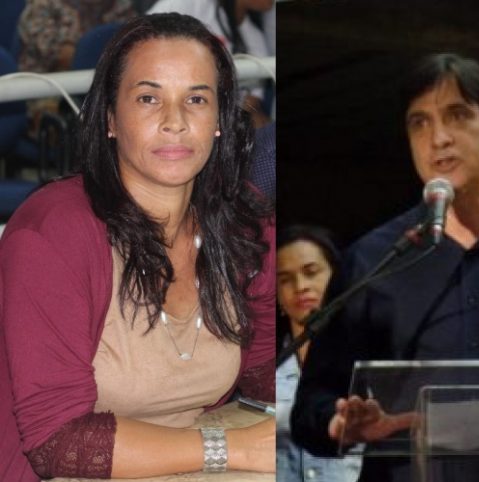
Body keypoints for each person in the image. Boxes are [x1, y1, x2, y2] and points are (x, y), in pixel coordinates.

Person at [0, 13, 275, 481]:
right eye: (149, 98)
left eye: (196, 99)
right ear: (110, 117)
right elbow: (55, 439)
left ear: (219, 120)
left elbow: (263, 370)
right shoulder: (52, 233)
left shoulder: (243, 223)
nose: (175, 122)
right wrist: (235, 449)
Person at [291, 52, 479, 482]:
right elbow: (310, 408)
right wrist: (341, 423)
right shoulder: (374, 260)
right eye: (420, 123)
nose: (438, 138)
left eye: (457, 115)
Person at [276, 225, 361, 482]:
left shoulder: (364, 357)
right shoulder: (258, 369)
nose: (300, 286)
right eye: (285, 279)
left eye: (311, 272)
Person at [147, 0, 274, 127]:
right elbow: (143, 35)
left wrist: (242, 116)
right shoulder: (193, 4)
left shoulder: (256, 40)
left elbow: (252, 100)